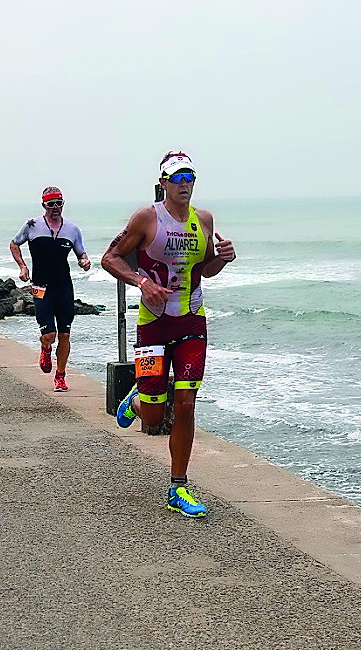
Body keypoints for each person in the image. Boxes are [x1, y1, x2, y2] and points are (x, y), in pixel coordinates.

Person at [101, 151, 236, 518]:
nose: (184, 184)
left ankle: (178, 487)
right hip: (153, 325)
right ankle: (137, 400)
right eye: (177, 178)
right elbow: (110, 258)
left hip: (192, 322)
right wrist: (141, 282)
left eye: (189, 177)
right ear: (163, 183)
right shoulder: (147, 218)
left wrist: (222, 257)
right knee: (153, 419)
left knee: (187, 405)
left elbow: (205, 272)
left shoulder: (203, 219)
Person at [10, 186, 91, 391]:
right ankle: (45, 347)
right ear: (43, 205)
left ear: (63, 204)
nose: (55, 208)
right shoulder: (32, 225)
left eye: (59, 203)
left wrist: (84, 261)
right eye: (50, 204)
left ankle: (60, 376)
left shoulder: (72, 229)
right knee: (50, 335)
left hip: (64, 286)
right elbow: (14, 244)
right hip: (40, 287)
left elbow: (81, 253)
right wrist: (22, 266)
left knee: (65, 335)